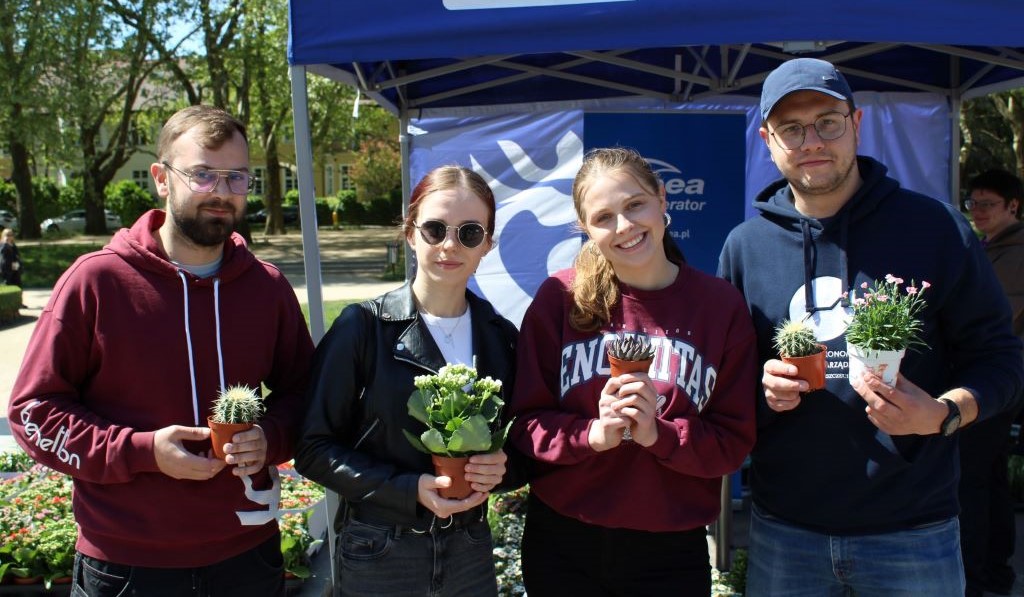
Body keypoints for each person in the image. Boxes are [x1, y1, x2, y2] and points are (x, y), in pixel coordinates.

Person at [718, 57, 1024, 595]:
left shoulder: (935, 229)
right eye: (792, 129)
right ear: (768, 140)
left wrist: (944, 413)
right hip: (786, 533)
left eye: (827, 122)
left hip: (913, 533)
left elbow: (1000, 359)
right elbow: (724, 383)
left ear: (856, 124)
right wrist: (759, 390)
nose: (812, 141)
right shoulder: (746, 247)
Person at [7, 105, 314, 596]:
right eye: (202, 174)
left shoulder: (267, 288)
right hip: (126, 565)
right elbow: (34, 412)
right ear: (161, 179)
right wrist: (142, 451)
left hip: (248, 557)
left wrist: (270, 436)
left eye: (237, 177)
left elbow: (306, 393)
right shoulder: (96, 282)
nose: (222, 191)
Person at [508, 147, 757, 596]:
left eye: (635, 204)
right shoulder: (560, 298)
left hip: (669, 552)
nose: (624, 226)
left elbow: (732, 443)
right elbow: (525, 424)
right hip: (563, 542)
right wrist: (591, 434)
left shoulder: (720, 306)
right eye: (603, 217)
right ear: (584, 227)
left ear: (662, 199)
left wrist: (659, 435)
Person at [294, 165, 519, 596]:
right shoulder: (362, 327)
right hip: (381, 550)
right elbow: (312, 447)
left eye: (470, 233)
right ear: (411, 232)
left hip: (469, 549)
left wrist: (502, 467)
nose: (450, 245)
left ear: (487, 244)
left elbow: (522, 442)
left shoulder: (501, 338)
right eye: (435, 229)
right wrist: (406, 489)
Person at [961, 168, 1024, 595]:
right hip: (998, 379)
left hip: (996, 381)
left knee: (972, 478)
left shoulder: (1015, 254)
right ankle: (996, 572)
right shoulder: (991, 248)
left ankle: (977, 577)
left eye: (988, 204)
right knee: (990, 475)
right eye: (973, 203)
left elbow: (988, 320)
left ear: (1013, 206)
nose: (978, 211)